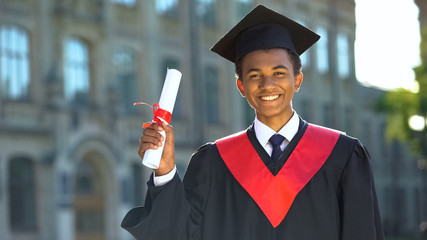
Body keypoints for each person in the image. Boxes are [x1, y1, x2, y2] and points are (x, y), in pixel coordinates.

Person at [121, 5, 384, 240]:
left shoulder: (343, 155)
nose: (267, 84)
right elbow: (178, 234)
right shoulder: (214, 162)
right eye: (255, 75)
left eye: (279, 73)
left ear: (297, 81)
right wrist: (166, 171)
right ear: (241, 86)